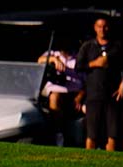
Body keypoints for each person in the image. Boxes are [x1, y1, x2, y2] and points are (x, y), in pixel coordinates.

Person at [76, 16, 123, 151]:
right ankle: (89, 162)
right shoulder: (88, 46)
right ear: (95, 28)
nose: (102, 29)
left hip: (113, 95)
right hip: (94, 94)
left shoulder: (117, 46)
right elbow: (78, 66)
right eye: (99, 26)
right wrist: (94, 63)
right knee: (92, 134)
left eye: (105, 26)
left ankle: (109, 164)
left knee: (112, 133)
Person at [37, 47, 86, 147]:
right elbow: (40, 60)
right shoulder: (53, 53)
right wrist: (54, 59)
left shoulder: (78, 56)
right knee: (54, 98)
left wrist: (79, 97)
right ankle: (58, 135)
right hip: (56, 92)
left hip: (75, 94)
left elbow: (86, 82)